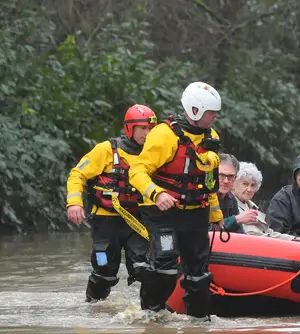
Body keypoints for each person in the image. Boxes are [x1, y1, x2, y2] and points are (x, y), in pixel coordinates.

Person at [129, 82, 224, 319]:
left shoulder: (211, 136)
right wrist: (157, 193)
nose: (215, 116)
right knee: (165, 268)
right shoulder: (164, 135)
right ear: (195, 110)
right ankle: (150, 317)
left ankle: (199, 323)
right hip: (164, 212)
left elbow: (209, 183)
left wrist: (216, 215)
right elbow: (136, 171)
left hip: (196, 213)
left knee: (199, 275)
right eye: (211, 112)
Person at [66, 104, 157, 302]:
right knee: (104, 272)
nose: (147, 133)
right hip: (106, 222)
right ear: (129, 128)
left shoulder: (155, 153)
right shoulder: (106, 150)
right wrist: (74, 203)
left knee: (145, 269)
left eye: (150, 129)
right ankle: (92, 309)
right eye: (142, 128)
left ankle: (148, 314)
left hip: (138, 222)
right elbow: (77, 174)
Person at [232, 162, 300, 243]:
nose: (249, 189)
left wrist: (294, 239)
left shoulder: (253, 208)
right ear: (233, 184)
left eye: (253, 185)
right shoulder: (230, 204)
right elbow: (251, 235)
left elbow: (270, 233)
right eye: (245, 184)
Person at [216, 154, 252, 233]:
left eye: (230, 176)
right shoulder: (203, 197)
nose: (226, 181)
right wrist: (236, 220)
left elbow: (240, 234)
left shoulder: (231, 199)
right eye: (221, 175)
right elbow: (206, 229)